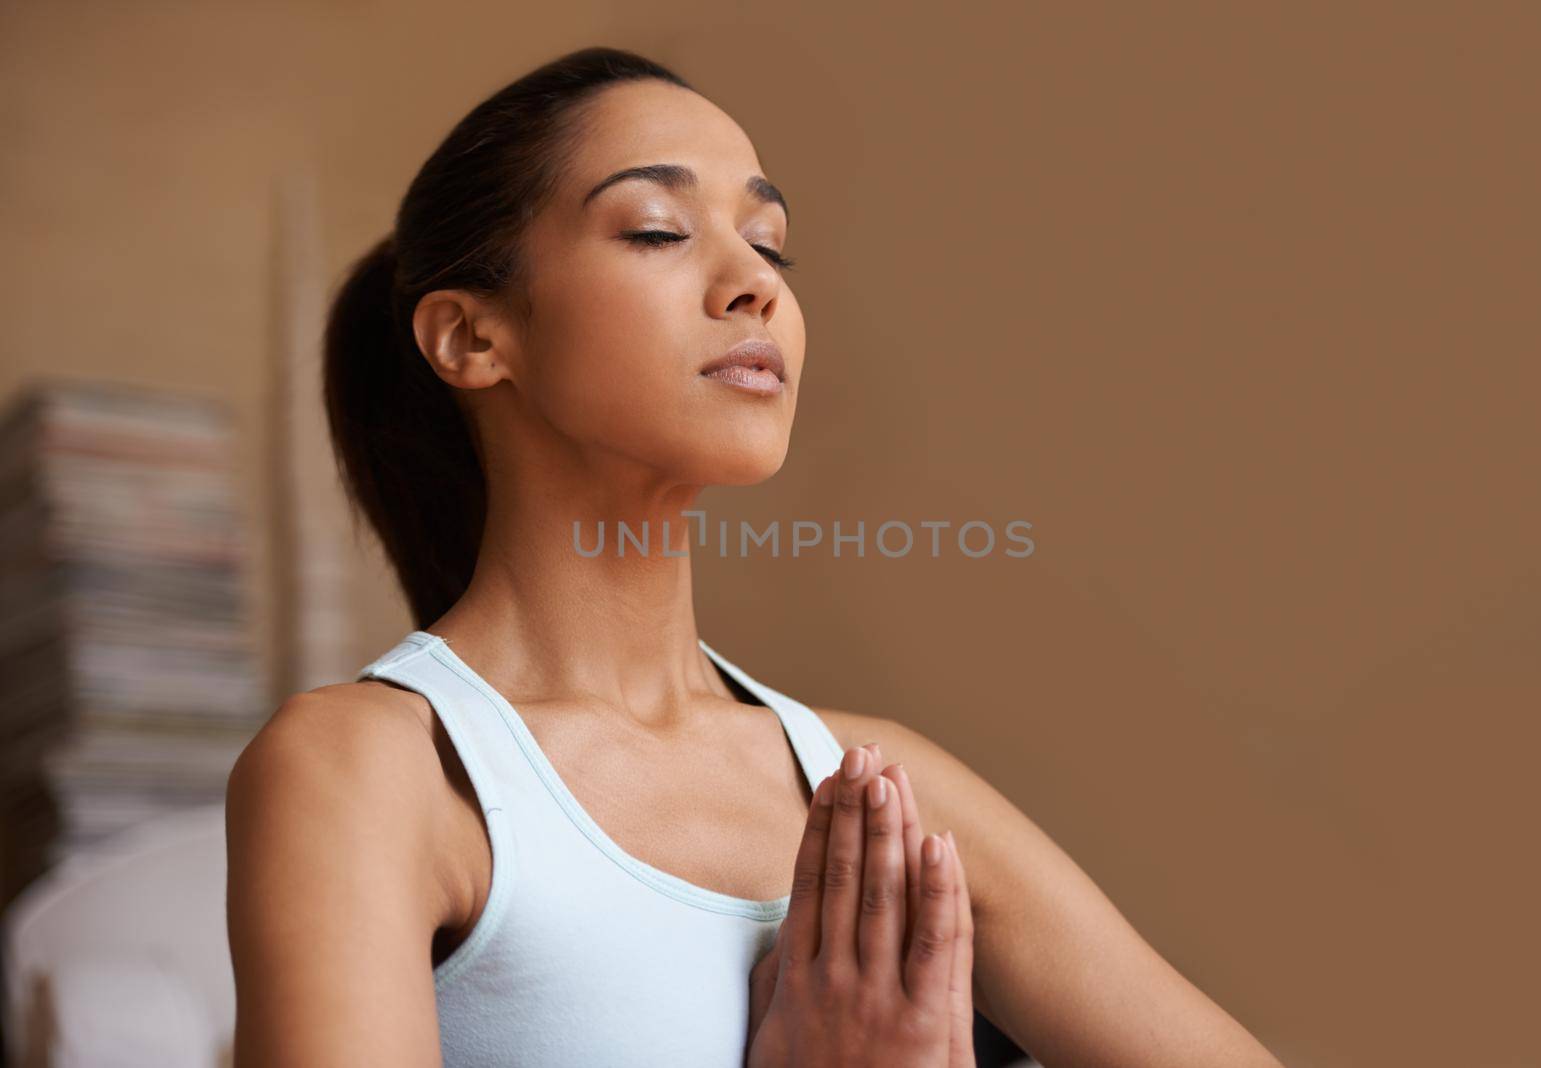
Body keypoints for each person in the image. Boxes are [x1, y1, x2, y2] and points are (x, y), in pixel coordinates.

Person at [224, 46, 1283, 1067]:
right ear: (471, 338)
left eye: (770, 244)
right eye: (655, 230)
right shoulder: (373, 772)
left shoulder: (889, 795)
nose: (754, 286)